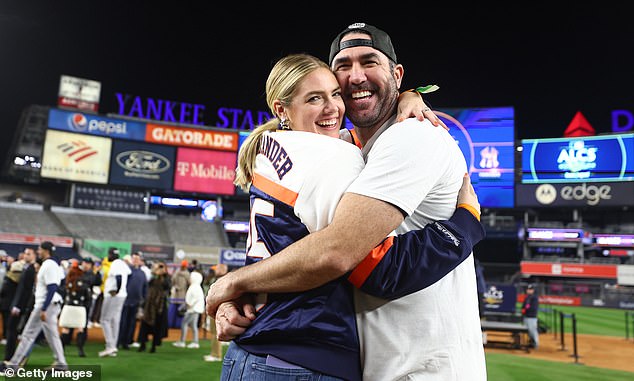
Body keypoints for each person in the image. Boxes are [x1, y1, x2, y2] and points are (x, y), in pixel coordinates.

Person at [206, 48, 485, 380]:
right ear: (282, 109)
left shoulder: (274, 146)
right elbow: (375, 265)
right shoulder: (330, 158)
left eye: (335, 94)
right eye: (314, 99)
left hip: (262, 348)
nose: (332, 107)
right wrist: (465, 224)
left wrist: (407, 96)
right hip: (302, 355)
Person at [0, 241, 67, 374]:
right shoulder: (54, 265)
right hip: (51, 304)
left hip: (45, 305)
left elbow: (53, 287)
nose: (38, 252)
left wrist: (44, 308)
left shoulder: (49, 265)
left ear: (46, 251)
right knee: (52, 335)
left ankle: (13, 365)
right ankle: (61, 364)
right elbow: (61, 283)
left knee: (28, 334)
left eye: (40, 249)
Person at [3, 248, 36, 361]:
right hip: (22, 305)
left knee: (18, 332)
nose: (25, 256)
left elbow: (25, 290)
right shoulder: (28, 269)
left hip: (22, 306)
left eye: (28, 254)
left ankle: (12, 358)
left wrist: (17, 305)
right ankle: (15, 358)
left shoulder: (30, 270)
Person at [98, 247, 131, 357]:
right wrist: (122, 289)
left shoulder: (116, 263)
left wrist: (116, 290)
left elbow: (119, 277)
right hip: (122, 295)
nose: (108, 257)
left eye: (109, 255)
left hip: (113, 295)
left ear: (111, 255)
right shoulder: (122, 263)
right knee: (115, 320)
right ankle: (113, 347)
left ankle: (110, 346)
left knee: (104, 320)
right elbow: (129, 274)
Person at [59, 260, 91, 357]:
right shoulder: (83, 282)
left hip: (68, 306)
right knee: (80, 329)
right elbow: (88, 296)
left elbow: (62, 293)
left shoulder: (67, 282)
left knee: (65, 329)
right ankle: (80, 350)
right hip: (79, 308)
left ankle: (61, 350)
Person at [137, 261, 170, 353]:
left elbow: (167, 287)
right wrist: (155, 272)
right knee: (144, 326)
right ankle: (142, 344)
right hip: (149, 305)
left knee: (157, 327)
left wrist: (163, 274)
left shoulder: (166, 278)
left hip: (159, 306)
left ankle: (154, 346)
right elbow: (149, 282)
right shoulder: (152, 277)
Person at [118, 252, 147, 350]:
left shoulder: (142, 273)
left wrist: (143, 298)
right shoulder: (127, 270)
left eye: (137, 259)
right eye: (134, 258)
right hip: (125, 300)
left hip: (136, 301)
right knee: (123, 321)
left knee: (132, 323)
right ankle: (119, 340)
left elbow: (144, 287)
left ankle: (128, 341)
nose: (135, 260)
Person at [173, 270, 204, 349]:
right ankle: (195, 342)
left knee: (184, 324)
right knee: (193, 326)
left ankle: (182, 341)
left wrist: (189, 305)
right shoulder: (197, 287)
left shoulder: (194, 287)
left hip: (192, 310)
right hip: (195, 309)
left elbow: (193, 299)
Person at [521, 283, 540, 349]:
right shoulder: (527, 297)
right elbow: (523, 306)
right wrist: (523, 310)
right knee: (528, 331)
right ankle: (531, 342)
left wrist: (526, 309)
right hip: (526, 316)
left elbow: (534, 308)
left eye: (530, 289)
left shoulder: (534, 298)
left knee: (533, 330)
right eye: (528, 289)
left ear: (533, 290)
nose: (529, 290)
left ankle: (536, 343)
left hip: (532, 317)